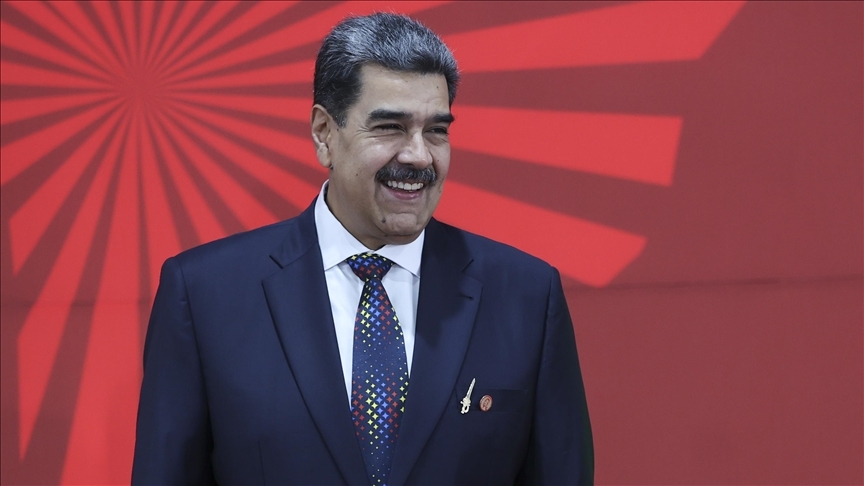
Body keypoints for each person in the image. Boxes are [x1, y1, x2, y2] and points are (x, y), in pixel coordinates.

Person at [132, 12, 593, 485]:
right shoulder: (204, 296)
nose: (419, 155)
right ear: (324, 133)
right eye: (390, 127)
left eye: (437, 130)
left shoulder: (526, 297)